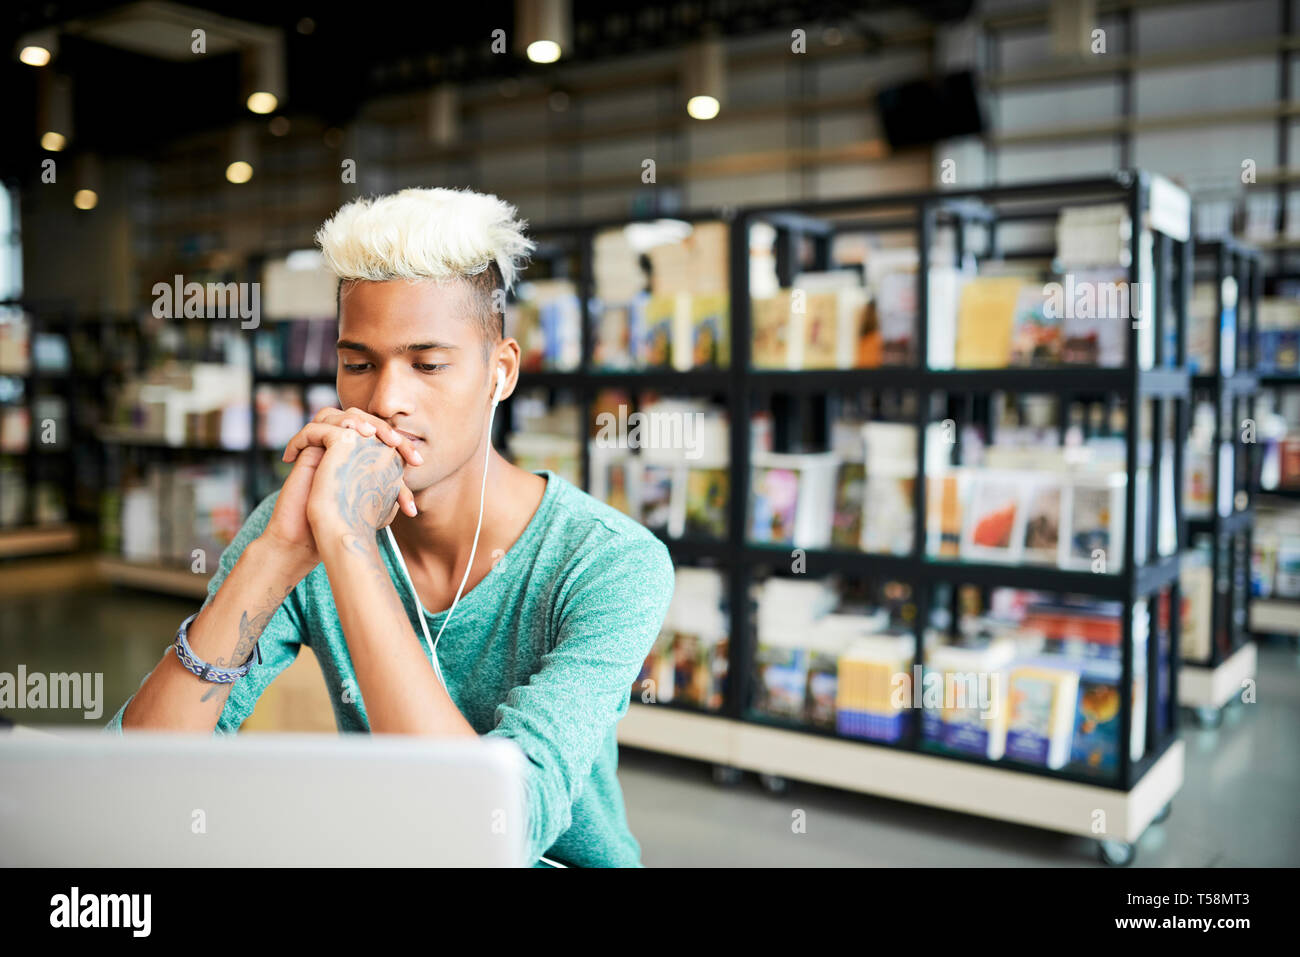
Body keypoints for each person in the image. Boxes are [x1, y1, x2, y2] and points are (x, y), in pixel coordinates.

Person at [105, 187, 677, 868]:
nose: (385, 401)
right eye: (358, 363)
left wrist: (349, 545)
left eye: (428, 364)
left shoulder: (611, 563)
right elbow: (130, 778)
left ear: (501, 372)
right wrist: (276, 555)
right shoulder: (304, 522)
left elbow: (488, 827)